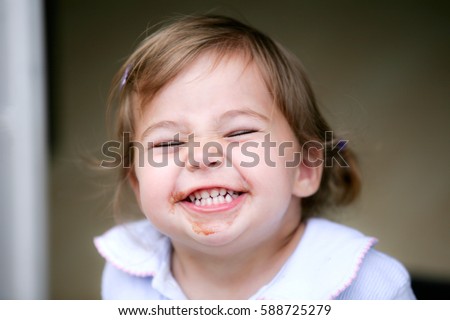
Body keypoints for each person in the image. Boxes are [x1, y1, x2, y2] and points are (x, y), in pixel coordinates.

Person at [94, 14, 416, 299]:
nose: (203, 156)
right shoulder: (126, 279)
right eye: (167, 143)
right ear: (136, 181)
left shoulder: (367, 288)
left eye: (239, 134)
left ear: (304, 168)